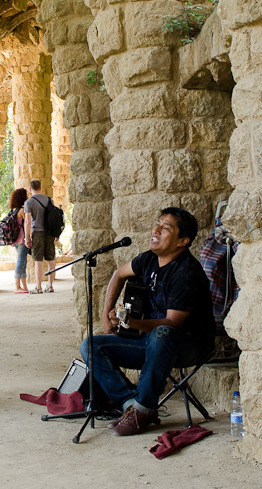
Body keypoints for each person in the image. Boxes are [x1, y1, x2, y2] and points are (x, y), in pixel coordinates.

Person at [80, 207, 215, 436]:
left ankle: (143, 409)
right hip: (151, 343)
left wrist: (134, 323)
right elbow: (118, 274)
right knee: (91, 345)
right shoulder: (149, 259)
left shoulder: (186, 273)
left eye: (166, 228)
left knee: (162, 333)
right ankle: (131, 407)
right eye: (157, 224)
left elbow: (172, 323)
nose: (156, 230)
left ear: (183, 241)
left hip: (188, 346)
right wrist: (107, 317)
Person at [24, 178, 55, 294]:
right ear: (40, 188)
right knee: (51, 259)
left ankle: (38, 287)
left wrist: (27, 237)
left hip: (37, 232)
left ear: (30, 189)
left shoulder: (29, 202)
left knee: (38, 260)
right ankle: (50, 285)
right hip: (49, 232)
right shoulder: (48, 200)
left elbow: (27, 222)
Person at [9, 187, 29, 294]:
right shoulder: (22, 210)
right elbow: (28, 223)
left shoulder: (13, 210)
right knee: (21, 261)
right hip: (22, 239)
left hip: (15, 240)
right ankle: (17, 286)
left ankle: (24, 286)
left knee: (23, 261)